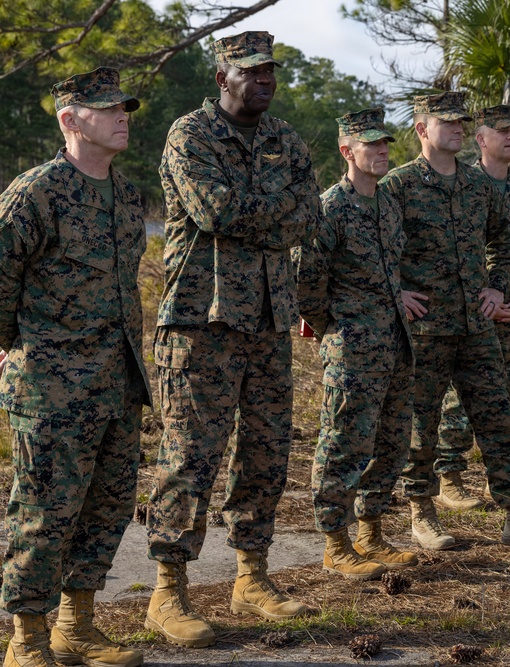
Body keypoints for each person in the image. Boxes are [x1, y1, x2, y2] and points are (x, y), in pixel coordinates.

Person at [144, 31, 319, 648]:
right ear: (223, 78)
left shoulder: (286, 140)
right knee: (189, 459)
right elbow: (214, 212)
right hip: (201, 324)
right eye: (251, 72)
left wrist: (263, 211)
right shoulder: (189, 135)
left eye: (270, 70)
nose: (264, 80)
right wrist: (277, 210)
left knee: (266, 455)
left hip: (269, 323)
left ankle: (251, 576)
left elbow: (310, 216)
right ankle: (168, 591)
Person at [0, 67, 149, 667]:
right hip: (52, 387)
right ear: (70, 120)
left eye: (124, 108)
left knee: (106, 508)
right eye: (107, 109)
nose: (122, 118)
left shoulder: (127, 195)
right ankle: (26, 640)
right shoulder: (35, 192)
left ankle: (75, 626)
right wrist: (15, 348)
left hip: (117, 381)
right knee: (44, 513)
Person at [380, 92, 510, 551]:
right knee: (421, 426)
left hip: (477, 327)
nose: (457, 128)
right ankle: (422, 513)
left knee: (499, 422)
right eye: (447, 122)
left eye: (461, 122)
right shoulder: (398, 185)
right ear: (422, 129)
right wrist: (396, 293)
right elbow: (374, 247)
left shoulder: (478, 186)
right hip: (426, 330)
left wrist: (498, 288)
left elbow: (506, 242)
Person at [296, 108, 418, 580]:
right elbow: (306, 282)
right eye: (372, 144)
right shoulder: (329, 208)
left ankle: (371, 533)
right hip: (352, 349)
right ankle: (335, 542)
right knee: (344, 443)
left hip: (395, 343)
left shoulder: (388, 203)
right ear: (347, 151)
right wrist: (336, 326)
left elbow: (393, 269)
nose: (382, 151)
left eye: (385, 143)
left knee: (391, 442)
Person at [434, 104, 510, 511]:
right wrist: (483, 297)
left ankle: (499, 476)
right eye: (502, 131)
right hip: (470, 314)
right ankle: (449, 476)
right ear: (481, 139)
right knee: (460, 398)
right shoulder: (465, 185)